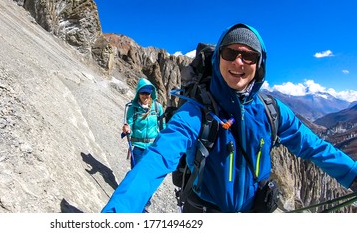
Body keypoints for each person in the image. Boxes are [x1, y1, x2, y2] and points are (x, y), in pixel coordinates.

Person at [102, 23, 357, 213]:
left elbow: (314, 147)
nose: (239, 61)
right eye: (230, 52)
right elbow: (157, 159)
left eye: (249, 56)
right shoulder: (195, 112)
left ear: (259, 64)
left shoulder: (273, 111)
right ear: (217, 59)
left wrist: (353, 175)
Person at [121, 78, 165, 212]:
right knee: (137, 175)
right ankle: (135, 199)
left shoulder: (157, 107)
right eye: (143, 93)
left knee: (149, 176)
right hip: (138, 148)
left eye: (148, 93)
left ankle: (144, 203)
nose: (146, 96)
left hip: (152, 147)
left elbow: (163, 126)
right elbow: (129, 124)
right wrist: (127, 129)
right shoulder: (132, 109)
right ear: (138, 94)